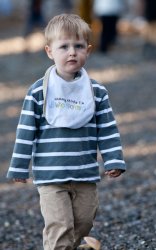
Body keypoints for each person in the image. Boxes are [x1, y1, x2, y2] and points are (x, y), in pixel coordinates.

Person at [7, 14, 126, 250]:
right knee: (60, 225)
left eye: (79, 46)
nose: (72, 52)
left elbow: (107, 128)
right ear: (50, 51)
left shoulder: (96, 92)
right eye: (64, 46)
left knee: (83, 221)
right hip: (51, 176)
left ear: (88, 50)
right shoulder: (39, 92)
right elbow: (25, 130)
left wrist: (113, 159)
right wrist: (19, 166)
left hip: (85, 173)